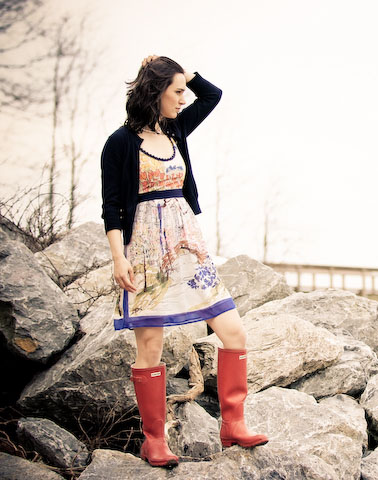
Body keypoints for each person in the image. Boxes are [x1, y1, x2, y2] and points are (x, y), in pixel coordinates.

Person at [100, 55, 268, 468]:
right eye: (176, 91)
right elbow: (113, 205)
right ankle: (154, 441)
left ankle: (233, 425)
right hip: (144, 254)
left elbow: (212, 95)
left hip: (189, 250)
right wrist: (117, 257)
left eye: (182, 91)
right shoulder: (120, 142)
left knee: (233, 332)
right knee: (151, 345)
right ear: (155, 92)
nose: (183, 98)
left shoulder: (177, 129)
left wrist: (182, 70)